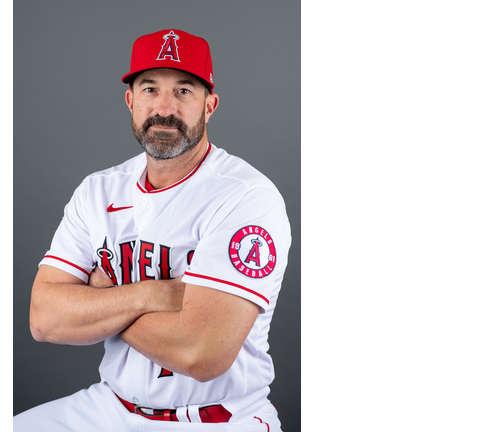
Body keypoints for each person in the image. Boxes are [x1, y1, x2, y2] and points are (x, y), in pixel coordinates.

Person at [14, 29, 291, 431]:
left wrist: (100, 300)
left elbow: (201, 352)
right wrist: (154, 293)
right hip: (110, 407)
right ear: (130, 101)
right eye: (149, 89)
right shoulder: (98, 190)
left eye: (183, 91)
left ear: (209, 106)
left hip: (216, 419)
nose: (164, 108)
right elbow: (45, 319)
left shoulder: (245, 196)